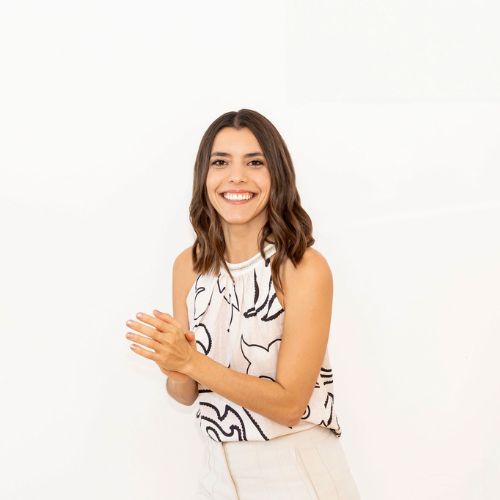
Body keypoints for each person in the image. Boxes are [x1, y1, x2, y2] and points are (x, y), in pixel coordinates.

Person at [125, 109, 361, 499]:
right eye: (221, 162)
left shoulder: (302, 267)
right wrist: (176, 367)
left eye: (254, 162)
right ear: (204, 176)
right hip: (217, 473)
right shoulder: (189, 266)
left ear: (277, 175)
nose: (236, 176)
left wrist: (190, 361)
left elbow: (289, 405)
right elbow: (186, 394)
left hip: (295, 472)